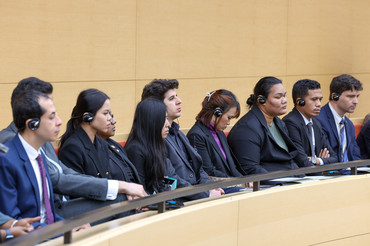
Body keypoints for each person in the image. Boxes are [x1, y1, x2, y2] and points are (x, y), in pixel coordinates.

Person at [0, 77, 147, 219]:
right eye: (50, 114)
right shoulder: (9, 142)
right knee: (119, 200)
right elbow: (57, 180)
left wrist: (116, 186)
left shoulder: (41, 138)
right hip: (45, 217)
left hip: (55, 212)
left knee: (121, 198)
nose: (59, 121)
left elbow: (62, 171)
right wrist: (119, 186)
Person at [59, 89, 147, 219]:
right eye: (105, 113)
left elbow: (108, 180)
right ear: (87, 117)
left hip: (106, 205)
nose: (110, 119)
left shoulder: (101, 144)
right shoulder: (73, 147)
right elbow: (76, 191)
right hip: (88, 213)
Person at [142, 79, 223, 200]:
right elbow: (171, 180)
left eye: (177, 97)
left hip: (198, 191)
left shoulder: (177, 131)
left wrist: (210, 187)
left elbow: (198, 169)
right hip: (183, 198)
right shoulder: (155, 139)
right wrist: (206, 194)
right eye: (171, 99)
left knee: (241, 192)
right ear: (156, 106)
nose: (179, 101)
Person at [0, 90, 64, 228]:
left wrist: (68, 226)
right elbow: (14, 223)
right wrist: (60, 232)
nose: (60, 122)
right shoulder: (6, 160)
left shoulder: (38, 153)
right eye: (52, 117)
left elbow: (49, 215)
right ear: (32, 124)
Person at [228, 76, 312, 175]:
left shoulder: (279, 122)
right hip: (271, 185)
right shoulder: (246, 128)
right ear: (261, 100)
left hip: (289, 180)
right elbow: (250, 169)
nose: (284, 100)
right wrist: (284, 181)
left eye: (284, 96)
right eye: (278, 97)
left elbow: (290, 159)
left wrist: (304, 179)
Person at [125, 99, 181, 194]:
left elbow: (169, 179)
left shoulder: (157, 144)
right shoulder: (135, 149)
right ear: (151, 121)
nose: (168, 124)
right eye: (163, 119)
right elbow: (140, 190)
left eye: (167, 119)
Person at [187, 89, 245, 178]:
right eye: (229, 117)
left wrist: (245, 181)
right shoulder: (196, 135)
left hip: (229, 183)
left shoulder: (219, 132)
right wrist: (236, 182)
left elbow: (232, 167)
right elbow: (208, 171)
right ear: (217, 112)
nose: (229, 123)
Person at [283, 79, 338, 165]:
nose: (319, 104)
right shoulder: (290, 122)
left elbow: (334, 158)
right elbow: (302, 161)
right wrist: (321, 164)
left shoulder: (316, 123)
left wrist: (317, 161)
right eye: (314, 99)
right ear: (300, 102)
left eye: (320, 99)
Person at [316, 74, 362, 163]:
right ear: (335, 97)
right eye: (350, 96)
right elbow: (327, 158)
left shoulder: (348, 124)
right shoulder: (318, 120)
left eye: (357, 96)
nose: (356, 101)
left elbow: (355, 157)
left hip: (350, 174)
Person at [96, 113, 141, 187]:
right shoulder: (92, 150)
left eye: (112, 117)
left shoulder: (113, 144)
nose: (114, 121)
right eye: (106, 116)